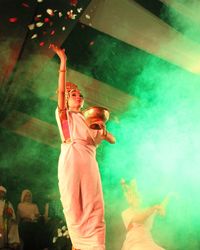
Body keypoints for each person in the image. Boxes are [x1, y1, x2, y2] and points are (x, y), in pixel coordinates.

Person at [49, 44, 116, 250]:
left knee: (94, 206)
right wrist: (63, 62)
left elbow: (112, 140)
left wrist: (104, 132)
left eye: (80, 95)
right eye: (74, 95)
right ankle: (78, 244)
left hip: (89, 164)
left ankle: (96, 246)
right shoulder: (65, 115)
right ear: (67, 100)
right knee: (73, 205)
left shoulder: (90, 121)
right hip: (71, 160)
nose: (78, 97)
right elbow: (61, 91)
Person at [120, 179, 171, 250]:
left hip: (147, 241)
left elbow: (161, 208)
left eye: (137, 196)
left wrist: (169, 195)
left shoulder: (146, 210)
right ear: (129, 199)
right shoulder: (126, 212)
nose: (137, 198)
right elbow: (138, 219)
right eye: (134, 197)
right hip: (135, 243)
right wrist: (153, 208)